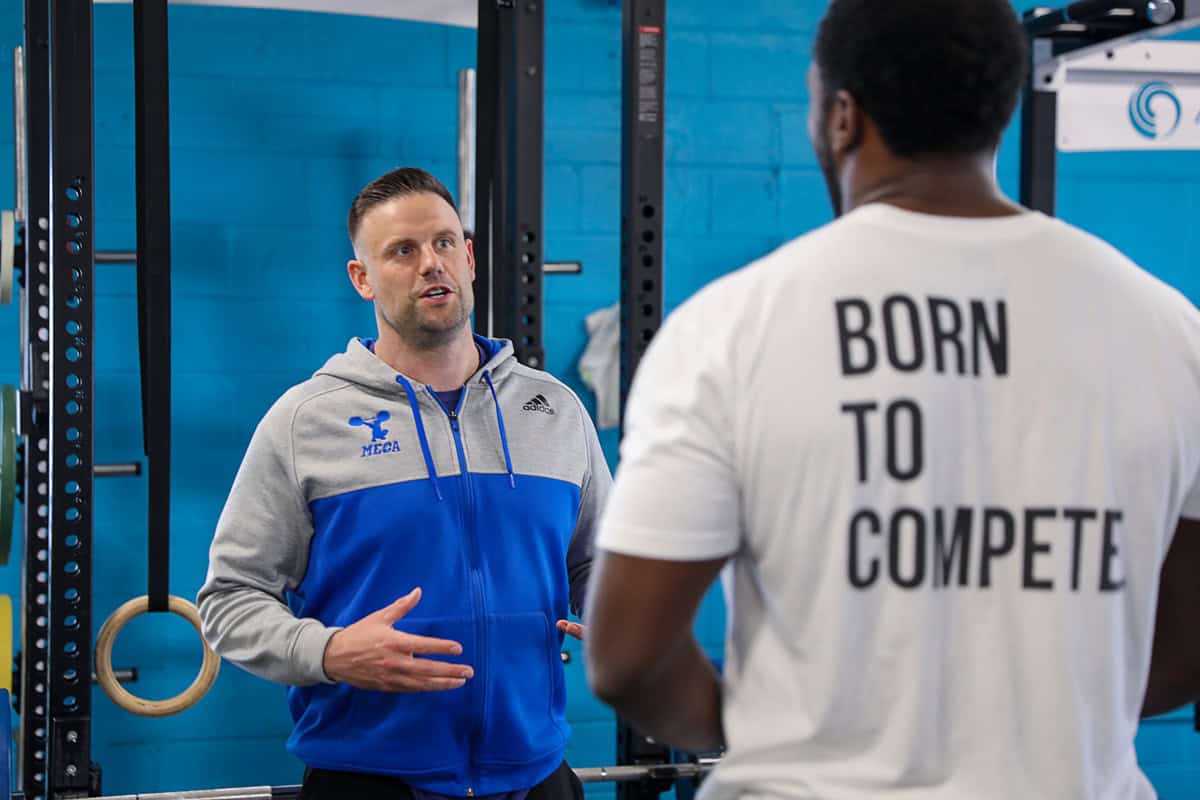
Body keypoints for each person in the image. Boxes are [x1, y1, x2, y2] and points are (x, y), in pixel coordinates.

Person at [583, 1, 1200, 798]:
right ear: (1001, 111)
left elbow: (628, 658)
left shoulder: (731, 328)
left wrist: (777, 727)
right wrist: (1045, 718)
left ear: (842, 117)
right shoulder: (1168, 328)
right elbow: (1189, 638)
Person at [198, 167, 609, 800]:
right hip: (368, 781)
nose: (430, 264)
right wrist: (328, 652)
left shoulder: (553, 410)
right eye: (402, 251)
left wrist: (619, 612)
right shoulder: (306, 421)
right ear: (362, 278)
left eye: (445, 243)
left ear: (469, 257)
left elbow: (599, 563)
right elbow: (229, 600)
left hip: (537, 777)